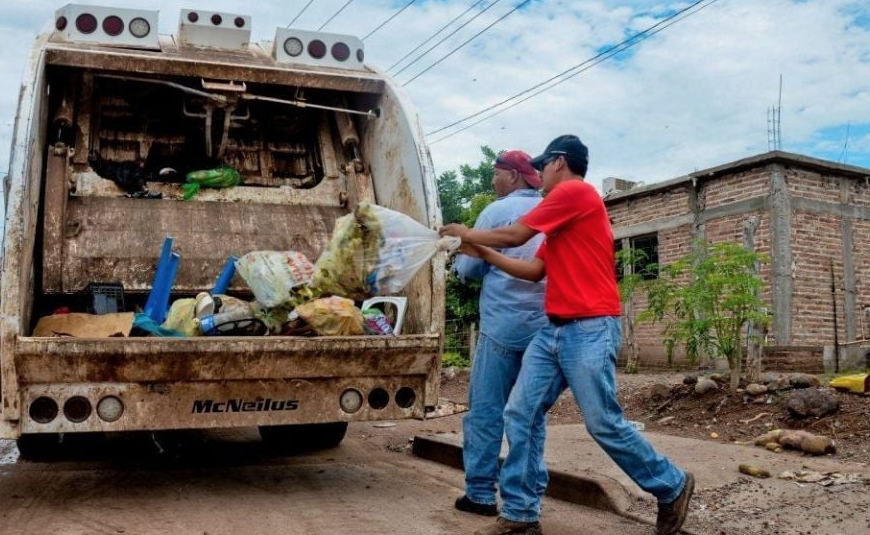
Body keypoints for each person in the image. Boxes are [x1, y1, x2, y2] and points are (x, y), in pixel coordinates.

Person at [440, 135, 694, 535]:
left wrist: (467, 235)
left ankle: (671, 484)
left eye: (542, 166)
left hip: (590, 329)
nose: (538, 174)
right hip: (553, 330)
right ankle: (521, 516)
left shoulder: (575, 192)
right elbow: (533, 271)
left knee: (602, 423)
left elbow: (516, 236)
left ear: (559, 162)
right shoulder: (561, 220)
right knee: (520, 414)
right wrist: (484, 254)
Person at [452, 150, 548, 517]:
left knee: (487, 411)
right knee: (529, 416)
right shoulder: (548, 211)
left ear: (513, 176)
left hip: (500, 327)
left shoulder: (495, 213)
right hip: (542, 330)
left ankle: (479, 494)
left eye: (496, 174)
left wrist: (463, 265)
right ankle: (524, 504)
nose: (493, 181)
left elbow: (470, 267)